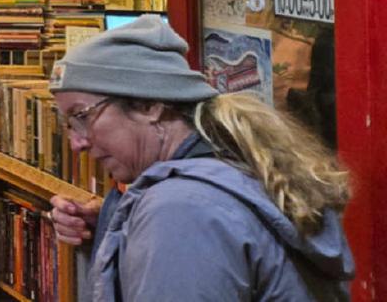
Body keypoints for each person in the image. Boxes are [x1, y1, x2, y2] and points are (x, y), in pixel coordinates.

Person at [45, 16, 352, 301]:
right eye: (69, 124)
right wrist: (116, 231)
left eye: (82, 116)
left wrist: (157, 232)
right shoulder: (231, 168)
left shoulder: (180, 210)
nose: (76, 143)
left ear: (149, 105)